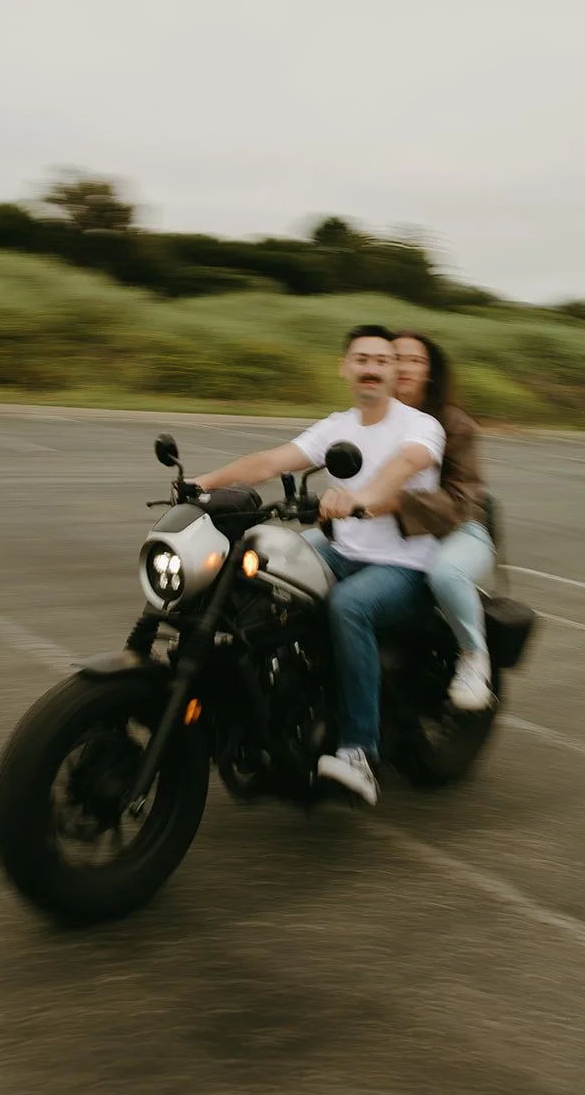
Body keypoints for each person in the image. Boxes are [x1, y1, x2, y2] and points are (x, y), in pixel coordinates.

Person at [191, 325, 445, 806]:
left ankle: (358, 754)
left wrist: (359, 497)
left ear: (395, 371)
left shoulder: (419, 426)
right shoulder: (337, 426)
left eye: (382, 360)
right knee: (258, 569)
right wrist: (201, 485)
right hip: (343, 551)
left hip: (405, 565)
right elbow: (270, 461)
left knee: (349, 608)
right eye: (361, 359)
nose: (371, 368)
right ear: (345, 367)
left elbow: (404, 467)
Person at [354, 333, 495, 711]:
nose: (402, 366)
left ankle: (474, 658)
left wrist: (394, 503)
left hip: (460, 528)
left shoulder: (455, 424)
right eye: (394, 357)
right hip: (388, 527)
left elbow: (463, 499)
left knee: (446, 575)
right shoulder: (375, 418)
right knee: (301, 555)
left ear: (430, 372)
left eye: (414, 360)